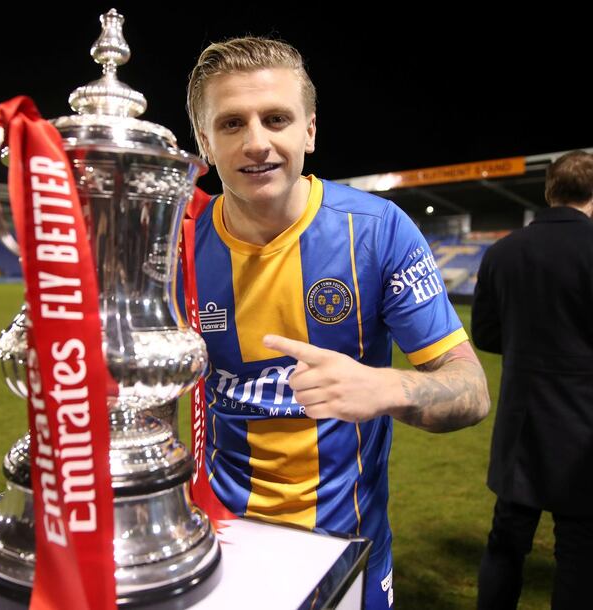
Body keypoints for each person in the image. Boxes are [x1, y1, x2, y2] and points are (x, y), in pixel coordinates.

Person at [183, 37, 490, 609]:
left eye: (276, 118)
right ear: (205, 142)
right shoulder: (177, 241)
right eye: (231, 124)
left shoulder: (376, 230)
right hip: (218, 540)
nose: (257, 143)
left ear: (310, 131)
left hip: (348, 546)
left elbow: (472, 389)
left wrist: (387, 386)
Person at [472, 150, 593, 609]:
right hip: (584, 431)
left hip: (522, 426)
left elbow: (484, 334)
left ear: (549, 191)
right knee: (580, 554)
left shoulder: (503, 251)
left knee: (506, 543)